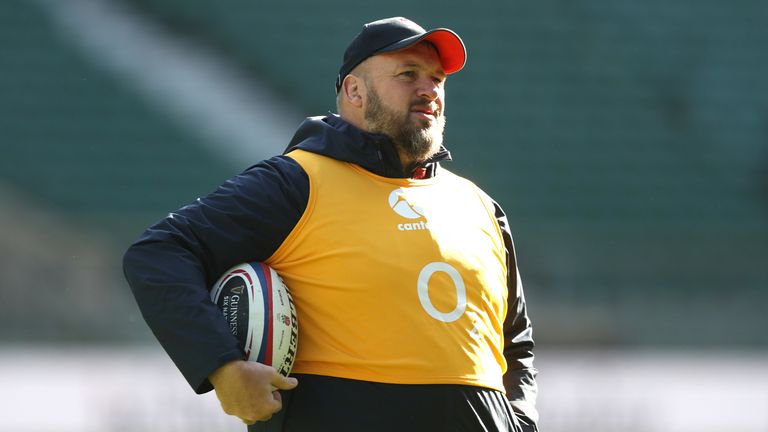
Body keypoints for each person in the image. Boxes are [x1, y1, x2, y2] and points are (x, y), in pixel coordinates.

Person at [123, 16, 538, 432]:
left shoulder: (480, 206)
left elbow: (515, 345)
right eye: (408, 74)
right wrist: (223, 367)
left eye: (437, 78)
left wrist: (520, 421)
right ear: (355, 90)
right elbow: (159, 253)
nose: (429, 89)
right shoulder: (295, 182)